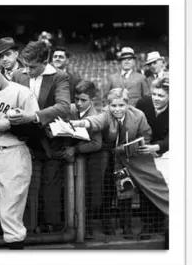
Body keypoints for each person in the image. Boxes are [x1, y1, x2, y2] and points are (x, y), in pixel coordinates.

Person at [71, 88, 169, 240]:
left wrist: (139, 146)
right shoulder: (105, 115)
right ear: (108, 106)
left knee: (126, 189)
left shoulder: (138, 115)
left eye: (121, 105)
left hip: (130, 156)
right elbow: (95, 122)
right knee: (106, 190)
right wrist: (80, 123)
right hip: (108, 156)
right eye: (113, 106)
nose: (117, 109)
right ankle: (106, 224)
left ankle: (127, 227)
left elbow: (146, 134)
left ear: (127, 105)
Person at [0, 55, 40, 249]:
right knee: (2, 209)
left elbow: (36, 129)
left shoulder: (22, 92)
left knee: (10, 210)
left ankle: (16, 251)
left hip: (13, 152)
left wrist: (10, 125)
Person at [11, 40, 71, 233]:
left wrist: (34, 116)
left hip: (50, 143)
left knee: (50, 187)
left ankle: (51, 228)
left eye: (32, 67)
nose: (27, 70)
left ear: (45, 62)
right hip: (25, 142)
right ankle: (28, 228)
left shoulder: (59, 76)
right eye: (25, 65)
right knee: (27, 186)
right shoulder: (17, 74)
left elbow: (63, 106)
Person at [51, 80, 103, 238]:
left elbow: (96, 143)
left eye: (83, 100)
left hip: (91, 158)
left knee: (88, 194)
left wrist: (75, 149)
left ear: (92, 100)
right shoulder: (71, 109)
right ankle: (65, 225)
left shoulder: (96, 115)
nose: (78, 103)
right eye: (76, 99)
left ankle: (85, 228)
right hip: (69, 156)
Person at [136, 77, 169, 239]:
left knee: (164, 186)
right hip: (144, 150)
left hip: (165, 152)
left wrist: (157, 148)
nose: (156, 98)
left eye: (161, 96)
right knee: (146, 186)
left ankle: (162, 222)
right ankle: (147, 224)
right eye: (154, 94)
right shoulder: (143, 103)